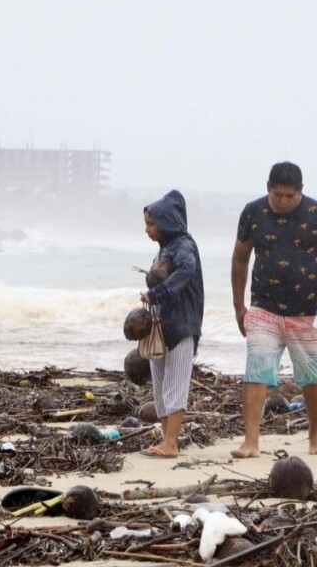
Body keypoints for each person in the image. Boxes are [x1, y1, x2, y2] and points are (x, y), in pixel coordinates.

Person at [231, 161, 317, 456]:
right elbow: (240, 258)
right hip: (263, 306)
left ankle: (315, 436)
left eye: (290, 196)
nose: (283, 201)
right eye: (277, 194)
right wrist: (238, 306)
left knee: (310, 374)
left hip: (307, 309)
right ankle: (251, 442)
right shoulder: (253, 212)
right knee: (256, 368)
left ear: (300, 191)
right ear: (268, 188)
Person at [139, 190, 204, 458]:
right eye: (146, 224)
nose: (147, 229)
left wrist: (158, 293)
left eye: (151, 224)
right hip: (160, 327)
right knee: (161, 385)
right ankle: (166, 439)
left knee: (175, 384)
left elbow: (186, 270)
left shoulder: (184, 246)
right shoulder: (164, 249)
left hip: (181, 325)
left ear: (167, 221)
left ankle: (172, 443)